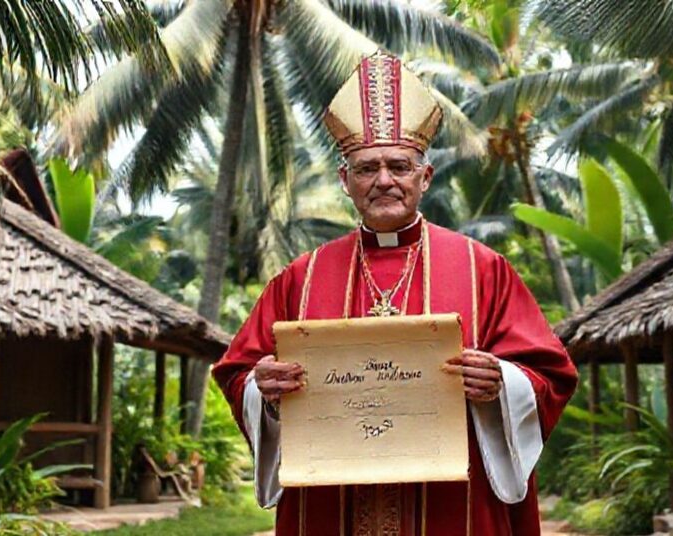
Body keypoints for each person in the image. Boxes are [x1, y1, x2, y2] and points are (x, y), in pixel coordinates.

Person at [213, 50, 578, 535]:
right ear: (345, 181)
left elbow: (549, 375)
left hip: (452, 509)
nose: (384, 181)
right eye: (366, 169)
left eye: (399, 166)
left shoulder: (483, 269)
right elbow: (239, 373)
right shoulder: (300, 279)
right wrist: (264, 390)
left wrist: (502, 382)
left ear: (424, 177)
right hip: (328, 506)